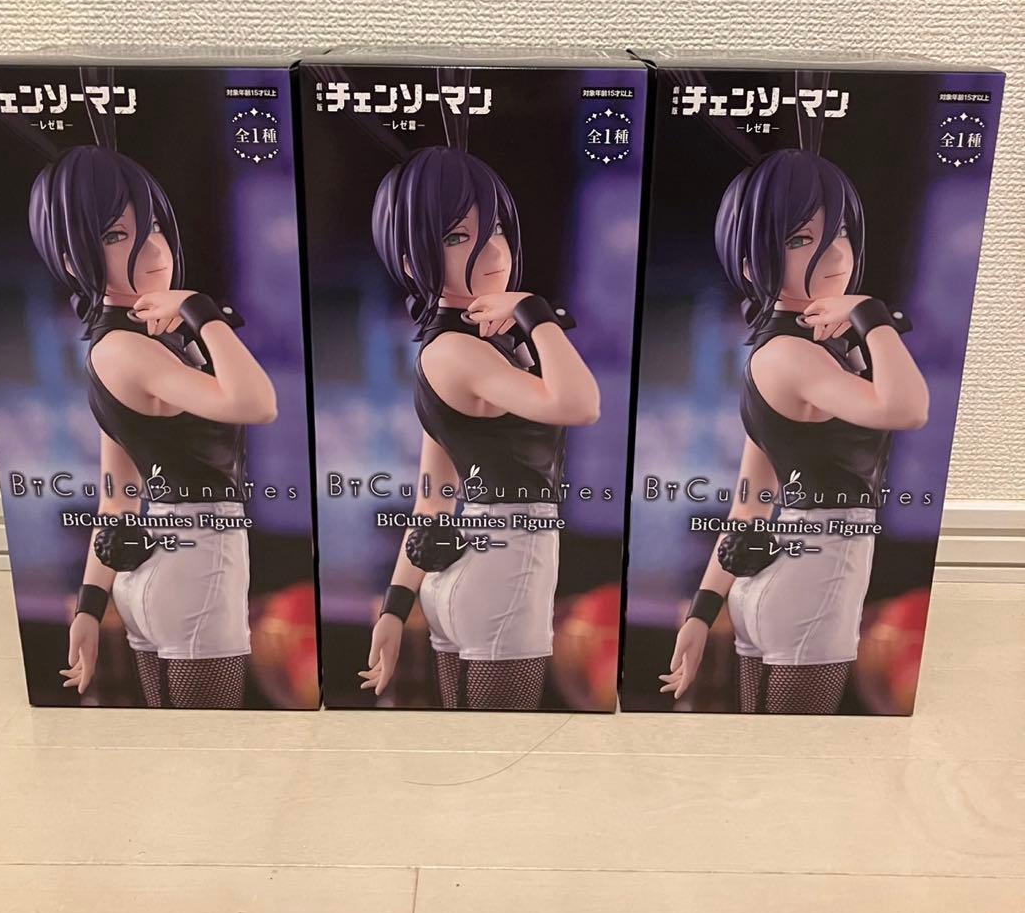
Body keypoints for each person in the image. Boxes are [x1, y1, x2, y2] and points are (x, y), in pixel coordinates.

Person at [660, 149, 929, 714]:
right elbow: (907, 409)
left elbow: (750, 503)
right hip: (816, 578)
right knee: (800, 756)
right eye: (802, 239)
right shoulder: (791, 356)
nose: (835, 253)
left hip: (777, 580)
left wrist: (702, 613)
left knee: (771, 750)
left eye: (841, 232)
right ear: (752, 265)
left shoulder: (786, 349)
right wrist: (872, 315)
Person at [29, 145, 277, 708]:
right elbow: (258, 403)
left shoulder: (124, 344)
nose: (154, 249)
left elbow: (118, 496)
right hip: (198, 561)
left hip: (153, 568)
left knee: (178, 740)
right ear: (73, 260)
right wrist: (202, 311)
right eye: (118, 235)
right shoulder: (127, 350)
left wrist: (90, 606)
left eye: (156, 227)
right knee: (209, 745)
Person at [361, 146, 600, 709]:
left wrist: (396, 607)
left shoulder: (457, 346)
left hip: (469, 569)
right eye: (457, 237)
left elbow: (433, 496)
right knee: (502, 754)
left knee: (474, 747)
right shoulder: (456, 352)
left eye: (495, 229)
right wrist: (535, 312)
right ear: (413, 260)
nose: (493, 251)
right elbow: (580, 404)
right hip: (505, 567)